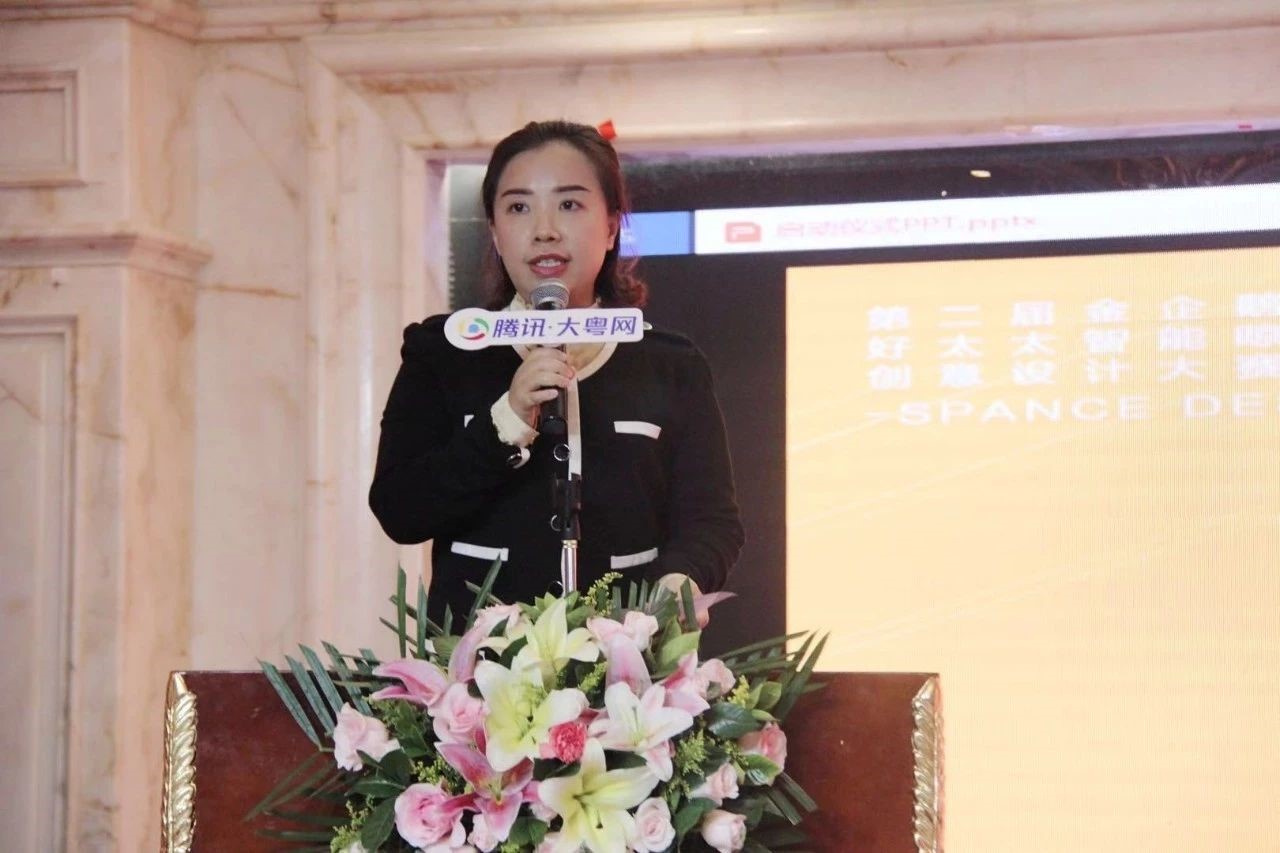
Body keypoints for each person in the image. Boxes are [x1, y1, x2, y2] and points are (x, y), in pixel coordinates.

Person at [369, 120, 743, 625]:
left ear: (611, 227)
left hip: (629, 657)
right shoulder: (442, 352)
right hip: (478, 663)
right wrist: (506, 421)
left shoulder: (671, 363)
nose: (544, 229)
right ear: (495, 233)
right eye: (518, 208)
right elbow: (400, 510)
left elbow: (712, 522)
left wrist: (682, 580)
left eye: (569, 204)